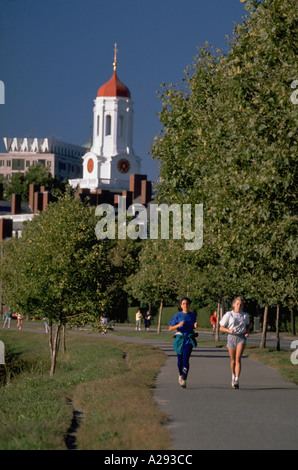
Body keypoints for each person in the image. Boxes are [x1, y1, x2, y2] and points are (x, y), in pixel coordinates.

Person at [219, 296, 249, 389]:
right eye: (237, 304)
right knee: (232, 360)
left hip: (241, 337)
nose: (239, 306)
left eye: (241, 304)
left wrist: (247, 332)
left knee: (238, 359)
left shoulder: (245, 315)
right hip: (231, 337)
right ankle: (233, 376)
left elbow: (247, 325)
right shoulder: (229, 314)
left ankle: (236, 379)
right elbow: (221, 327)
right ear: (233, 305)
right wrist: (229, 331)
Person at [168, 297, 198, 388]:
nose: (185, 305)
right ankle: (180, 374)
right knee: (180, 360)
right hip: (180, 339)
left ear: (189, 305)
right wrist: (178, 325)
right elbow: (170, 328)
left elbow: (192, 326)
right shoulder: (177, 315)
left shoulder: (193, 315)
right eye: (184, 304)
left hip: (188, 339)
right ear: (181, 305)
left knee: (186, 359)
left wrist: (195, 326)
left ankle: (184, 378)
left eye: (187, 304)